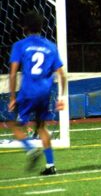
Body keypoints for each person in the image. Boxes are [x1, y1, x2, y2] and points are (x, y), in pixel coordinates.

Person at [8, 10, 66, 175]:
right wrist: (61, 97)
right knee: (41, 127)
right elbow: (62, 75)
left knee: (15, 125)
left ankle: (30, 150)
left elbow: (13, 73)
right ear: (41, 26)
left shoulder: (20, 45)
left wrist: (12, 97)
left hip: (28, 92)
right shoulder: (51, 46)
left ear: (25, 27)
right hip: (44, 93)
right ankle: (50, 166)